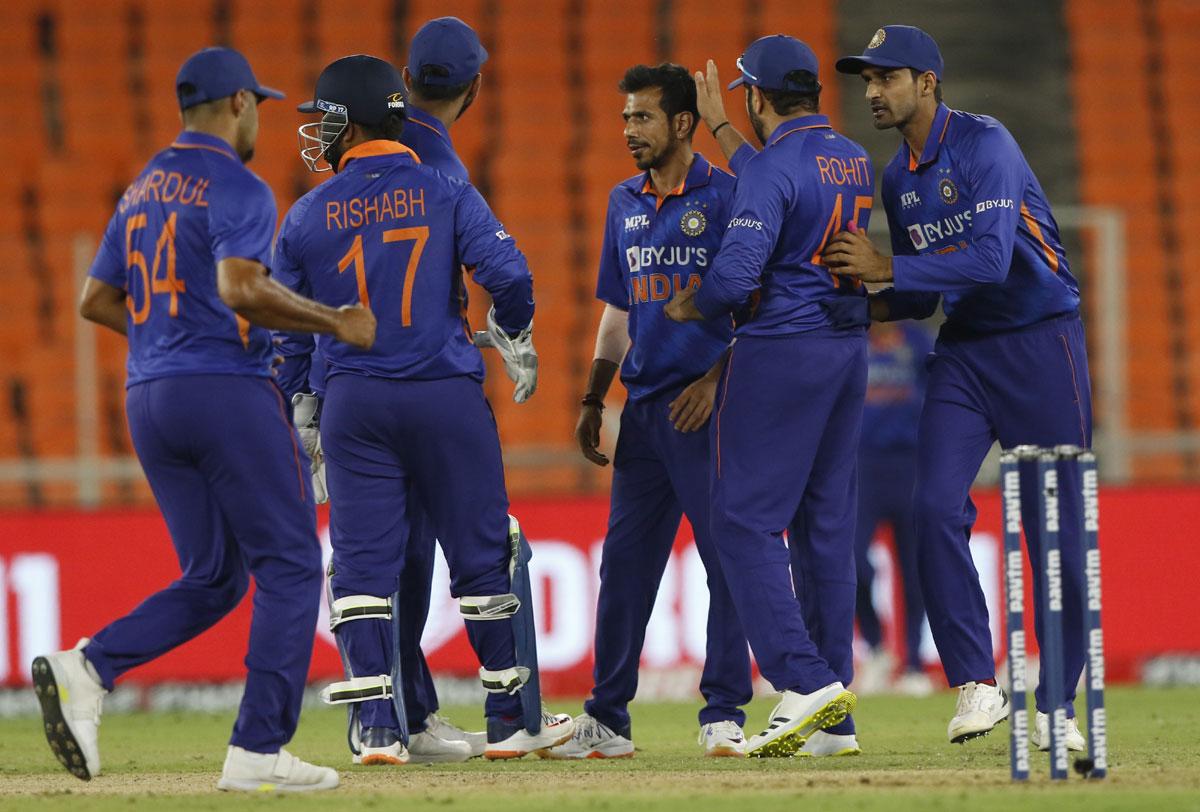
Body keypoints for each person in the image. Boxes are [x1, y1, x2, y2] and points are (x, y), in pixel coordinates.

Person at [32, 46, 376, 793]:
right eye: (259, 106)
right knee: (287, 566)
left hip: (149, 400)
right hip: (224, 392)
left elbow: (95, 300)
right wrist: (334, 321)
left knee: (216, 575)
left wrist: (165, 340)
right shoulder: (238, 185)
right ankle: (258, 749)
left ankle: (89, 668)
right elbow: (242, 287)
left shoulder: (141, 189)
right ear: (240, 105)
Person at [275, 53, 570, 765]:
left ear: (350, 120)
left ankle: (378, 727)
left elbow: (286, 330)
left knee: (362, 567)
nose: (317, 132)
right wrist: (512, 329)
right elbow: (511, 276)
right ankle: (508, 719)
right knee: (480, 555)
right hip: (443, 392)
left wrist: (301, 402)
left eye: (324, 118)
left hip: (355, 401)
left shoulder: (307, 215)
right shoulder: (444, 188)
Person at [828, 25, 1091, 751]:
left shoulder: (987, 144)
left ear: (929, 83)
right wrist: (850, 306)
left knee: (1056, 532)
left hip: (1042, 345)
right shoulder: (897, 177)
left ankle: (1058, 705)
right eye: (867, 81)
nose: (873, 92)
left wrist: (885, 267)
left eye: (887, 78)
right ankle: (977, 682)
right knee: (933, 507)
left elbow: (984, 261)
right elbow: (917, 298)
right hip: (968, 354)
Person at [664, 34, 872, 758]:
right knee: (825, 528)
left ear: (758, 96)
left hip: (781, 350)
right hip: (847, 351)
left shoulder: (773, 169)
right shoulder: (849, 157)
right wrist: (723, 127)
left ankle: (802, 679)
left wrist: (696, 305)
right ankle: (834, 722)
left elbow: (735, 272)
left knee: (744, 522)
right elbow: (781, 176)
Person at [544, 63, 752, 760]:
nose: (628, 130)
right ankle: (606, 719)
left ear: (684, 123)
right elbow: (620, 308)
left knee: (728, 561)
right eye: (626, 117)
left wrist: (717, 382)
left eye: (642, 118)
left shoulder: (728, 197)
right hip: (642, 412)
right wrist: (591, 396)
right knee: (626, 569)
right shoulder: (622, 201)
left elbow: (761, 306)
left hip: (708, 413)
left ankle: (723, 713)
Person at [851, 321, 935, 698]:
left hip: (910, 464)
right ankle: (876, 648)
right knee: (850, 561)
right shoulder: (853, 335)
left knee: (916, 568)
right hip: (860, 464)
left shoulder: (916, 341)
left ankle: (914, 664)